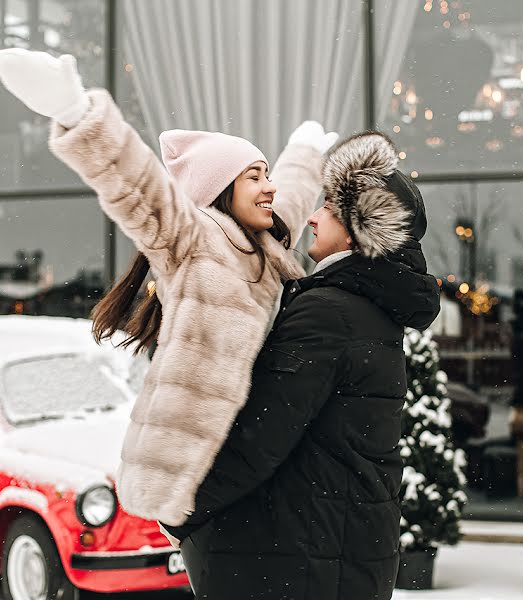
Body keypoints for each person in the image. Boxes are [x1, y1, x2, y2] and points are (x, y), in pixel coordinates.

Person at [0, 49, 337, 525]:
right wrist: (77, 112)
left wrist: (305, 154)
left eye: (267, 174)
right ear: (220, 189)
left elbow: (294, 200)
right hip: (189, 472)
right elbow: (136, 182)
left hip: (252, 462)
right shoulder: (191, 237)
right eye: (254, 176)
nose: (269, 186)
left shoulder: (267, 246)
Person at [163, 131, 442, 600]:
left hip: (293, 562)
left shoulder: (329, 312)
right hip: (333, 554)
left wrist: (178, 509)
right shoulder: (366, 307)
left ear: (359, 226)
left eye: (328, 207)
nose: (312, 216)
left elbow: (259, 434)